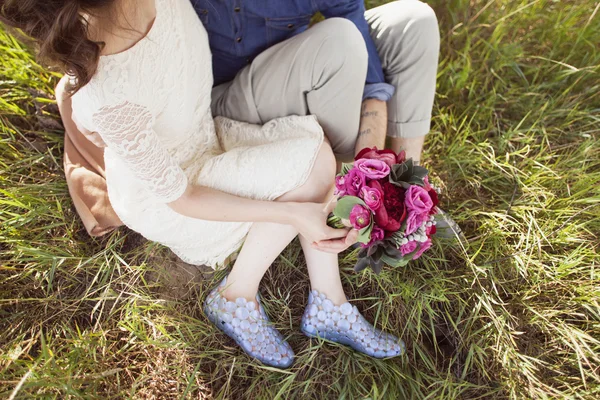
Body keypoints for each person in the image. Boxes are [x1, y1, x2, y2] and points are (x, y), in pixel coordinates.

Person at [0, 0, 404, 368]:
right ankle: (235, 296)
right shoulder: (108, 94)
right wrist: (290, 213)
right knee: (306, 168)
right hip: (171, 197)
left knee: (318, 155)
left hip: (205, 135)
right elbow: (180, 197)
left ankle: (328, 303)